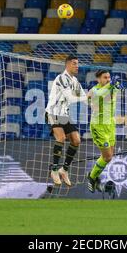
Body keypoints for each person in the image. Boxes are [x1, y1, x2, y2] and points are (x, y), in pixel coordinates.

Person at [45, 55, 87, 186]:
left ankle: (65, 170)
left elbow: (85, 97)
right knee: (61, 138)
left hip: (64, 115)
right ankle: (54, 170)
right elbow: (71, 97)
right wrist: (86, 96)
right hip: (53, 113)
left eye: (77, 63)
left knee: (76, 140)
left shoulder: (75, 81)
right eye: (74, 63)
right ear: (67, 64)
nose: (77, 66)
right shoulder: (61, 78)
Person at [86, 70, 123, 192]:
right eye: (105, 77)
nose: (107, 79)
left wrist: (118, 86)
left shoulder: (110, 87)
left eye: (109, 77)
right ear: (98, 79)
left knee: (109, 156)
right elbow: (101, 93)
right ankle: (92, 177)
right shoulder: (94, 90)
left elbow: (115, 89)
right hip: (99, 126)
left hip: (110, 125)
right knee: (107, 157)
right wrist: (112, 84)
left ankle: (94, 176)